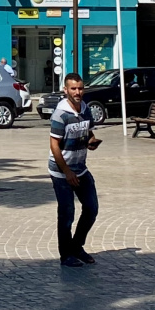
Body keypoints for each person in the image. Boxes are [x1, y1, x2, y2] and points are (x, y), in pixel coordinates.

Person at [49, 72, 101, 268]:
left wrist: (91, 141)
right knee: (67, 212)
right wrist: (67, 173)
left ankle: (77, 246)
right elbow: (54, 145)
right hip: (61, 171)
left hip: (80, 168)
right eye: (73, 88)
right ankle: (66, 255)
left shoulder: (85, 109)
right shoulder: (60, 114)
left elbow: (87, 131)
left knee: (91, 208)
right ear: (66, 90)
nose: (77, 92)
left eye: (80, 88)